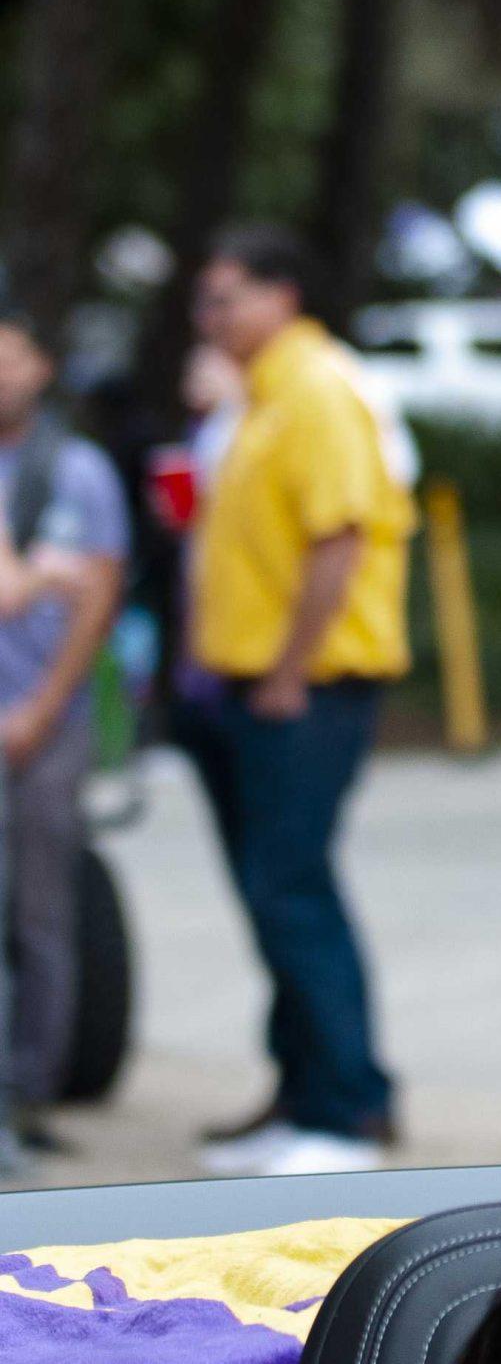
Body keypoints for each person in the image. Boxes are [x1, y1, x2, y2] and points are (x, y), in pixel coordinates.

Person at [184, 224, 416, 1176]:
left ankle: (349, 1105)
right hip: (248, 684)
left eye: (227, 295)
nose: (210, 316)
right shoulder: (262, 398)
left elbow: (340, 538)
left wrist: (287, 671)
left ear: (283, 295)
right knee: (273, 892)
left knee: (294, 887)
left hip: (307, 688)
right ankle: (300, 1089)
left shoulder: (316, 389)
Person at [0, 303, 129, 1160]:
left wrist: (41, 710)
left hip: (43, 722)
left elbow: (98, 594)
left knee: (41, 908)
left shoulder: (74, 471)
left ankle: (25, 1093)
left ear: (44, 367)